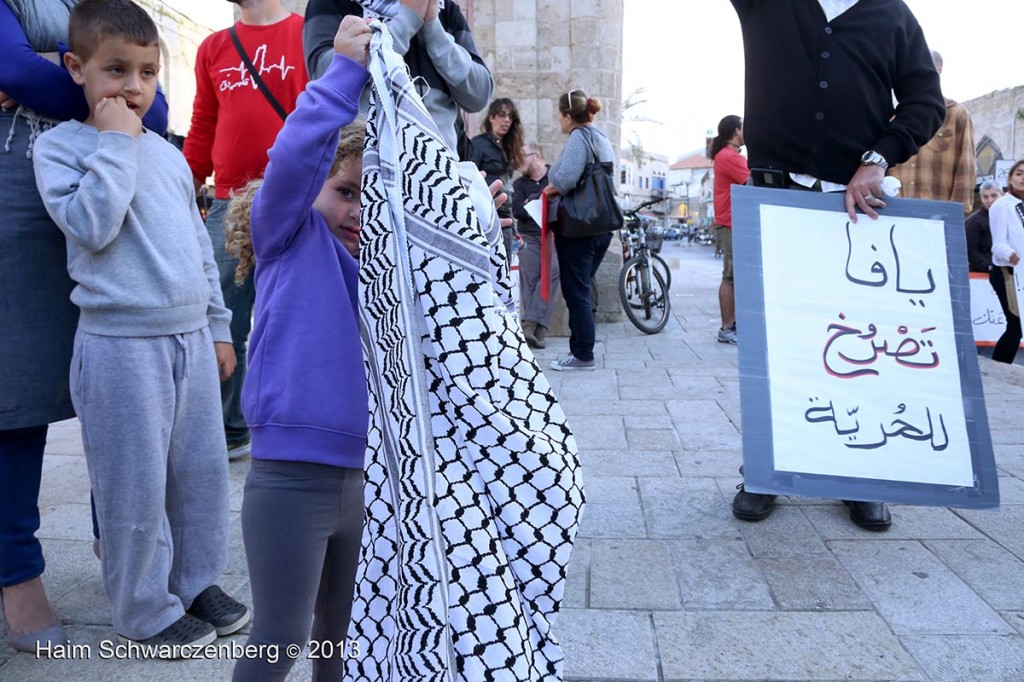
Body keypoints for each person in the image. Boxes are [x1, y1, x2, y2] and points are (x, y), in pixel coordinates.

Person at [33, 0, 248, 650]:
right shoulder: (60, 148)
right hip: (120, 347)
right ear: (77, 68)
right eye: (115, 69)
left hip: (188, 339)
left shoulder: (172, 158)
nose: (132, 85)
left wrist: (217, 327)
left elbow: (196, 251)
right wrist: (117, 144)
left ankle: (194, 581)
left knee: (202, 477)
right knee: (134, 487)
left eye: (147, 72)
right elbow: (93, 225)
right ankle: (142, 607)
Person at [730, 0, 946, 531]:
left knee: (860, 342)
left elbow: (925, 100)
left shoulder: (892, 15)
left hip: (859, 210)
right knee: (775, 345)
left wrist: (877, 159)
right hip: (777, 200)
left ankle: (859, 475)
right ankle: (767, 470)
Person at [0, 0, 166, 653]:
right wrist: (80, 79)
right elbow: (15, 66)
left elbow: (153, 108)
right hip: (11, 189)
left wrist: (50, 76)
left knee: (120, 378)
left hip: (107, 175)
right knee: (16, 387)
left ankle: (123, 543)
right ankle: (17, 573)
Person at [224, 17, 372, 681]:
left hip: (370, 480)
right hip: (289, 480)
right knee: (278, 642)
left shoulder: (382, 270)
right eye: (344, 192)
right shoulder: (287, 236)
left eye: (372, 200)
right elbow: (294, 156)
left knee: (341, 641)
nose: (357, 213)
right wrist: (342, 72)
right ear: (313, 187)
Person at [183, 0, 308, 461]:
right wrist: (182, 187)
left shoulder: (306, 33)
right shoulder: (213, 47)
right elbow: (202, 126)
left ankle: (293, 419)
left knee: (293, 318)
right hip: (227, 204)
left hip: (295, 198)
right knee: (224, 320)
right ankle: (230, 427)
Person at [302, 0, 492, 157]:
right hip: (360, 170)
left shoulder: (446, 10)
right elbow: (324, 75)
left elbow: (479, 94)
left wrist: (433, 29)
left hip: (438, 176)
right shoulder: (331, 4)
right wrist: (407, 19)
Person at [543, 89, 616, 372]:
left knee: (577, 292)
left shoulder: (578, 137)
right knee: (582, 289)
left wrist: (545, 192)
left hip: (579, 228)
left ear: (568, 116)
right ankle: (583, 350)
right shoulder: (601, 137)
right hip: (602, 226)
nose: (558, 122)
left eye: (559, 116)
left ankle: (583, 354)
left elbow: (565, 178)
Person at [889, 50, 977, 215]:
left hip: (936, 215)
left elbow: (965, 167)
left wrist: (955, 214)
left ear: (938, 70)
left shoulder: (956, 113)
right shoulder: (894, 116)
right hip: (896, 212)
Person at [513, 142, 559, 349]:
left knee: (551, 274)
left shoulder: (555, 176)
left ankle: (530, 324)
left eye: (522, 156)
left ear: (537, 156)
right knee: (530, 278)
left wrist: (531, 201)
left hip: (553, 236)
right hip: (529, 236)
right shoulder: (519, 184)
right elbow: (518, 211)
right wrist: (540, 198)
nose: (518, 161)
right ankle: (537, 333)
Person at [710, 114, 749, 345]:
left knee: (735, 276)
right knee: (730, 276)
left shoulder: (728, 155)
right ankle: (726, 328)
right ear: (736, 131)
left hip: (733, 222)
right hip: (730, 223)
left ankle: (733, 325)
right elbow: (752, 181)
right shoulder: (729, 156)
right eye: (745, 128)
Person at [472, 97, 525, 259]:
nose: (506, 120)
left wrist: (515, 227)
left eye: (510, 117)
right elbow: (471, 179)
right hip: (485, 214)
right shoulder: (479, 144)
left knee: (505, 269)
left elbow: (508, 186)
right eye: (502, 115)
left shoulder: (509, 147)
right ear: (491, 117)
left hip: (505, 215)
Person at [988, 160, 1024, 364]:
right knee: (1016, 325)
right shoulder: (1002, 206)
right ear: (1010, 178)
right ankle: (998, 367)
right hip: (1007, 273)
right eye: (1019, 173)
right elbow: (998, 244)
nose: (1023, 177)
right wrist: (1009, 253)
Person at [965, 180, 1002, 274]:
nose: (990, 200)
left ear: (1002, 195)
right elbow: (970, 251)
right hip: (982, 274)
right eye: (985, 197)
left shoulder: (1010, 216)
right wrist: (990, 267)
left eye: (994, 196)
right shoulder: (974, 222)